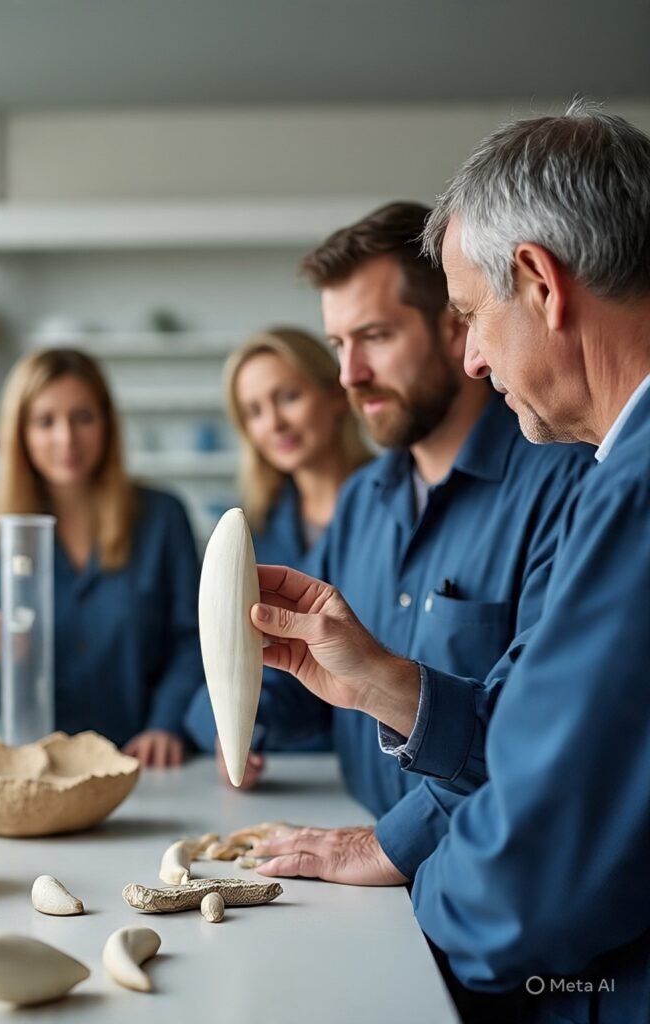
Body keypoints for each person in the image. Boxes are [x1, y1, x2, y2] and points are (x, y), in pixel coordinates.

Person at [249, 103, 650, 1024]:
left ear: (542, 284)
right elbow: (528, 728)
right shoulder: (611, 474)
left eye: (470, 314)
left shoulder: (617, 492)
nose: (473, 356)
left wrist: (409, 892)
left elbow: (526, 875)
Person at [213, 202, 590, 889]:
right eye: (337, 345)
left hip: (490, 901)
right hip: (356, 890)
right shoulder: (361, 502)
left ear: (456, 327)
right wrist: (238, 710)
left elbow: (550, 749)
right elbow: (309, 681)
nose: (350, 374)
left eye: (376, 336)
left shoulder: (564, 488)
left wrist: (387, 844)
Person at [0, 348, 203, 768]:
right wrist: (6, 654)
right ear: (20, 433)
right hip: (48, 767)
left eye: (82, 417)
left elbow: (193, 640)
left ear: (107, 423)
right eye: (45, 421)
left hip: (147, 761)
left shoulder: (162, 518)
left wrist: (167, 724)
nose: (66, 438)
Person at [185, 327, 373, 778]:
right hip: (290, 768)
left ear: (333, 394)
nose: (274, 423)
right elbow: (219, 654)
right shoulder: (254, 531)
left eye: (287, 396)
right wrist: (229, 731)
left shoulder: (397, 504)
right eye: (253, 411)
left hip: (383, 759)